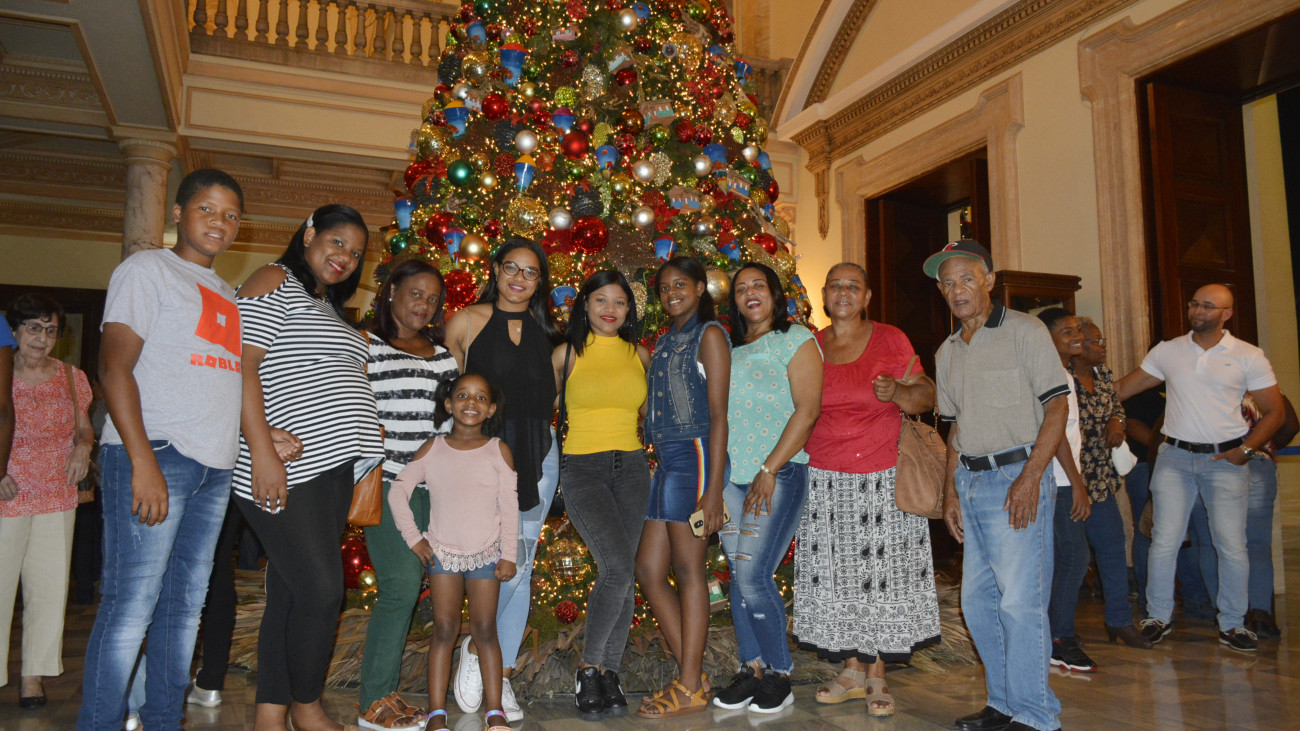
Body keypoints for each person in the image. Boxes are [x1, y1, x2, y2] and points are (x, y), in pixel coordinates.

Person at [78, 169, 247, 730]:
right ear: (178, 213)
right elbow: (114, 368)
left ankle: (163, 721)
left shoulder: (227, 293)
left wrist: (260, 434)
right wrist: (142, 462)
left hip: (213, 469)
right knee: (130, 607)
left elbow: (218, 380)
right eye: (207, 209)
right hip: (156, 453)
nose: (219, 222)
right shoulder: (146, 269)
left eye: (230, 215)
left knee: (184, 610)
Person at [234, 203, 384, 730]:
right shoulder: (274, 278)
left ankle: (270, 715)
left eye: (356, 253)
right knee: (323, 591)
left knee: (292, 594)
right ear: (309, 233)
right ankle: (306, 706)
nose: (346, 257)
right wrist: (261, 450)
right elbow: (239, 365)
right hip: (287, 467)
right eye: (337, 241)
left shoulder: (324, 305)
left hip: (331, 470)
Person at [927, 240, 1069, 731]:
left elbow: (1057, 407)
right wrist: (950, 493)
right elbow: (955, 429)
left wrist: (1031, 477)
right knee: (978, 602)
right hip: (970, 481)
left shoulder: (1025, 330)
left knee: (1019, 602)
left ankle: (1035, 713)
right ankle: (1004, 703)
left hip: (1017, 475)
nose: (957, 290)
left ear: (988, 280)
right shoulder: (947, 351)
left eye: (967, 278)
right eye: (948, 283)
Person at [794, 262, 938, 716]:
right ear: (824, 294)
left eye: (852, 286)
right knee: (840, 578)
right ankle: (851, 672)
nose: (843, 292)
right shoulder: (811, 345)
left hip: (881, 477)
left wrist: (898, 391)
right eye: (835, 286)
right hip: (823, 477)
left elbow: (926, 395)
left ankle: (877, 676)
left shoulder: (890, 339)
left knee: (880, 579)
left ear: (867, 296)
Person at [1114, 284, 1283, 653]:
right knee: (1164, 541)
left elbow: (1275, 413)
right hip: (1174, 459)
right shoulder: (1169, 350)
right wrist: (1082, 401)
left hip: (1225, 462)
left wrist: (1245, 450)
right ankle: (1157, 617)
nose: (1198, 311)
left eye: (1208, 306)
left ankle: (1232, 624)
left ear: (1226, 314)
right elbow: (1122, 389)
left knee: (1231, 545)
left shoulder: (1248, 355)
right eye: (1194, 304)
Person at [444, 239, 561, 723]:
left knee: (522, 563)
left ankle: (495, 665)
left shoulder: (550, 333)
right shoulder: (466, 322)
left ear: (540, 282)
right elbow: (451, 397)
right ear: (495, 270)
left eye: (530, 272)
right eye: (511, 267)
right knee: (492, 558)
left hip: (540, 455)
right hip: (484, 458)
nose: (519, 278)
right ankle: (481, 644)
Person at [711, 262, 822, 715]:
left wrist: (769, 468)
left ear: (775, 295)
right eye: (741, 289)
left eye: (759, 285)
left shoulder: (795, 339)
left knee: (753, 577)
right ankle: (751, 668)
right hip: (730, 481)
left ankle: (780, 673)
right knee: (739, 578)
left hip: (776, 475)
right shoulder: (729, 348)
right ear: (734, 302)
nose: (750, 293)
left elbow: (808, 410)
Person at [358, 260, 459, 728]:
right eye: (416, 293)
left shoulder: (443, 358)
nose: (424, 305)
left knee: (417, 589)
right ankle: (373, 701)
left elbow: (450, 426)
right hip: (386, 483)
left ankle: (388, 695)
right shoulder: (366, 344)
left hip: (435, 488)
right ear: (393, 290)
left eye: (433, 299)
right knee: (399, 585)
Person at [388, 373, 518, 731]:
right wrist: (415, 539)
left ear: (491, 409)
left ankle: (495, 711)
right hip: (442, 554)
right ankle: (436, 713)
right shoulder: (433, 449)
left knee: (485, 629)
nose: (470, 403)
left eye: (480, 397)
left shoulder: (499, 451)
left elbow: (510, 507)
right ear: (448, 404)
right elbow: (398, 492)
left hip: (486, 555)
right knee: (444, 629)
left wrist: (509, 554)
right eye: (462, 395)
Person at [552, 271, 651, 718]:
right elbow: (541, 412)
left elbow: (649, 414)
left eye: (620, 302)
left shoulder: (639, 355)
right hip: (583, 469)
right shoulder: (566, 354)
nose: (610, 309)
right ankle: (589, 669)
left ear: (629, 310)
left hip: (631, 469)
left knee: (624, 571)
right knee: (616, 567)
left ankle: (609, 672)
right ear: (585, 305)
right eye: (601, 300)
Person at [634, 257, 730, 719]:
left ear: (699, 287)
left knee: (689, 571)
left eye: (681, 285)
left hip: (695, 456)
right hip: (667, 461)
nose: (672, 293)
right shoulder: (667, 339)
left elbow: (719, 415)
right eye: (665, 287)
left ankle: (689, 685)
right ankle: (693, 677)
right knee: (649, 569)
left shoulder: (709, 335)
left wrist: (712, 491)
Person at [1, 294, 93, 707]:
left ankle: (33, 676)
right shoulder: (1, 373)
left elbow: (84, 430)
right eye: (33, 328)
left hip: (57, 494)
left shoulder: (72, 377)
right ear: (14, 330)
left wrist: (83, 448)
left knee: (49, 588)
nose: (42, 338)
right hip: (7, 492)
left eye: (51, 330)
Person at [1182, 393, 1297, 640]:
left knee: (1211, 543)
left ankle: (1227, 616)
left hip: (1207, 463)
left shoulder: (1195, 384)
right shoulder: (1261, 387)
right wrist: (1262, 445)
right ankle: (1261, 615)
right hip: (1255, 461)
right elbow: (1290, 425)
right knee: (1256, 543)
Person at [1068, 319, 1151, 650]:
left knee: (1113, 548)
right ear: (1078, 345)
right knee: (1071, 557)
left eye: (1103, 340)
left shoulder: (1101, 374)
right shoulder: (1059, 376)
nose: (1103, 346)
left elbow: (1116, 406)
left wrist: (1117, 422)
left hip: (1100, 479)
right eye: (1096, 341)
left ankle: (1119, 620)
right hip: (1069, 480)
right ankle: (1061, 627)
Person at [1037, 308, 1095, 673]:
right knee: (1073, 557)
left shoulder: (1065, 374)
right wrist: (1077, 484)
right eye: (1068, 331)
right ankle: (1059, 638)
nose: (1078, 337)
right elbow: (1055, 432)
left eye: (1078, 330)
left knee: (1064, 558)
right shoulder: (1051, 375)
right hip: (1057, 480)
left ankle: (1055, 633)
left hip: (1063, 478)